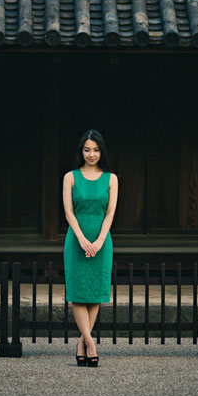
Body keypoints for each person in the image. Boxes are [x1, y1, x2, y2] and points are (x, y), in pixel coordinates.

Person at [62, 129, 118, 367]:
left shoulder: (111, 178)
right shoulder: (70, 177)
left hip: (102, 240)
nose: (91, 154)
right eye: (87, 150)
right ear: (81, 151)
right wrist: (83, 239)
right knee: (78, 292)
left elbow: (110, 213)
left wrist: (99, 240)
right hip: (76, 238)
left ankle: (82, 343)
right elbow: (68, 212)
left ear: (101, 151)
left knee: (95, 292)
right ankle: (90, 342)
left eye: (96, 150)